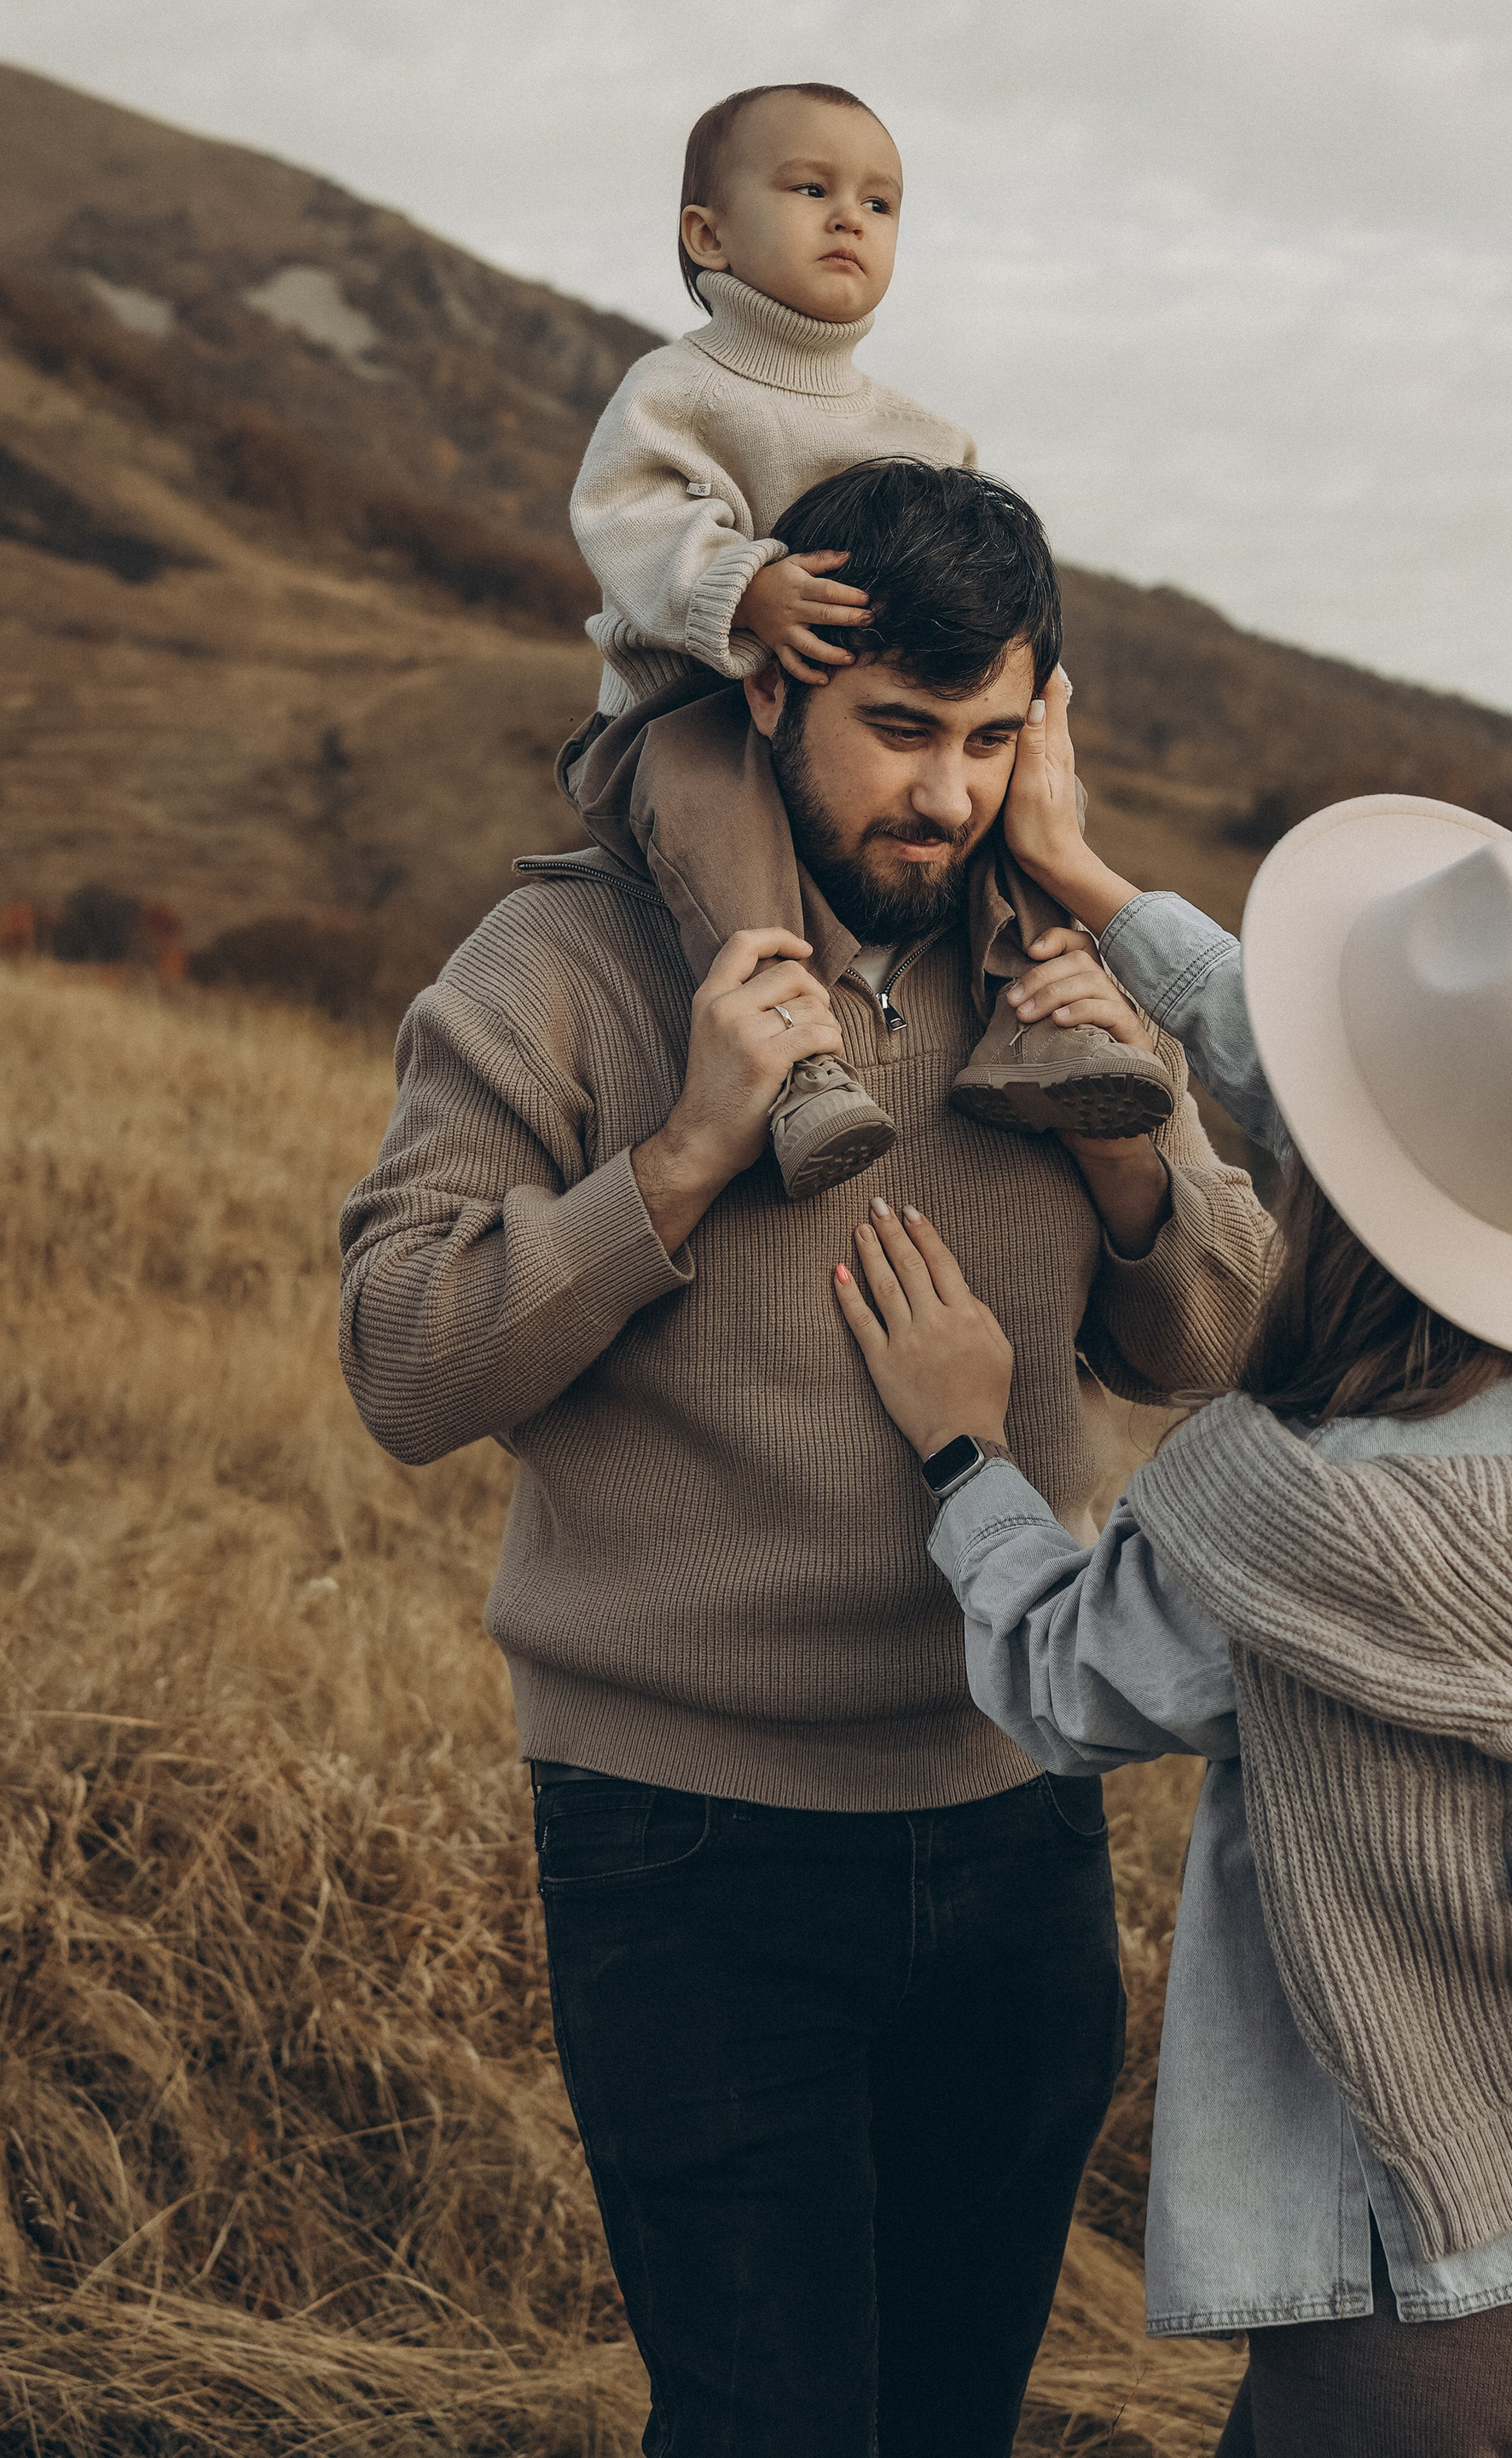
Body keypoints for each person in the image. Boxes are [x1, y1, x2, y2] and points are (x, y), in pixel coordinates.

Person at [831, 675, 1512, 2458]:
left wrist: (964, 1448)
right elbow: (1444, 1133)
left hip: (1434, 2249)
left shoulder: (1306, 1521)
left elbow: (1056, 1673)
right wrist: (1088, 879)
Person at [337, 479, 1275, 2458]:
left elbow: (1203, 1346)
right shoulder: (565, 959)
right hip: (687, 1846)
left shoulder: (1056, 988)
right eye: (899, 730)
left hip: (1015, 1822)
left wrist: (1126, 1147)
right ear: (771, 697)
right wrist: (682, 1151)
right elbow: (406, 1367)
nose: (944, 794)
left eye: (989, 738)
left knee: (946, 2423)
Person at [566, 78, 1170, 1195]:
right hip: (686, 715)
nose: (850, 218)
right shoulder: (677, 392)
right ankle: (794, 1058)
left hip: (844, 735)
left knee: (1014, 800)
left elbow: (984, 602)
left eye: (880, 203)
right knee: (714, 794)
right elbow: (627, 515)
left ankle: (1042, 1015)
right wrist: (741, 586)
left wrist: (1013, 716)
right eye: (811, 189)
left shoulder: (924, 432)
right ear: (709, 234)